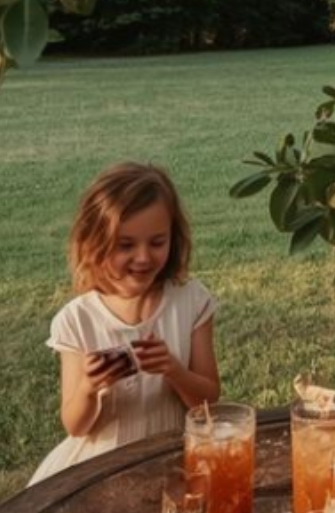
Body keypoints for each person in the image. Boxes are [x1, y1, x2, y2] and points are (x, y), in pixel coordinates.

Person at [28, 162, 221, 485]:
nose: (144, 257)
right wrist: (90, 389)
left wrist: (174, 370)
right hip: (99, 469)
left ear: (174, 236)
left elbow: (209, 401)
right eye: (126, 245)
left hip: (173, 458)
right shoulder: (78, 320)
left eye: (157, 242)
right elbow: (75, 426)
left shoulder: (191, 302)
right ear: (94, 242)